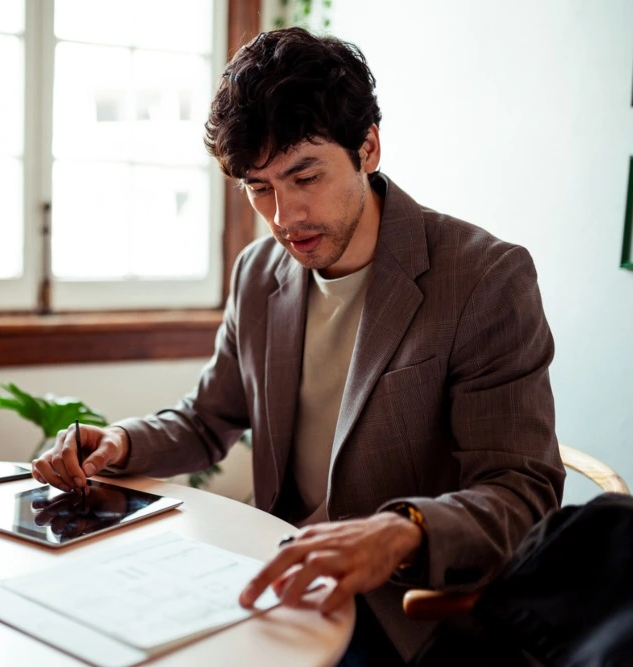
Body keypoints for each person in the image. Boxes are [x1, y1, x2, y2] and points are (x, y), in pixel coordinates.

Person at [31, 26, 564, 664]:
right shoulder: (258, 274)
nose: (284, 216)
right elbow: (209, 418)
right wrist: (121, 441)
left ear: (367, 148)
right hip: (275, 578)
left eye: (304, 176)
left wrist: (402, 532)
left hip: (404, 610)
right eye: (259, 188)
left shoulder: (484, 278)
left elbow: (521, 490)